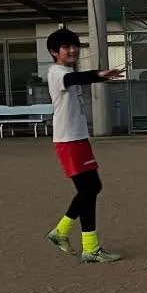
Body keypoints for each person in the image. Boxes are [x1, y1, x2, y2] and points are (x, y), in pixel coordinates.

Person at [41, 29, 125, 263]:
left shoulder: (67, 71)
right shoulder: (57, 72)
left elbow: (76, 78)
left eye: (75, 46)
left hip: (78, 138)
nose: (73, 50)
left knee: (93, 187)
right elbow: (73, 80)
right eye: (66, 47)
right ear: (54, 52)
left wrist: (99, 76)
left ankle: (61, 232)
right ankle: (90, 248)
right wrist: (99, 74)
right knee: (89, 190)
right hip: (68, 140)